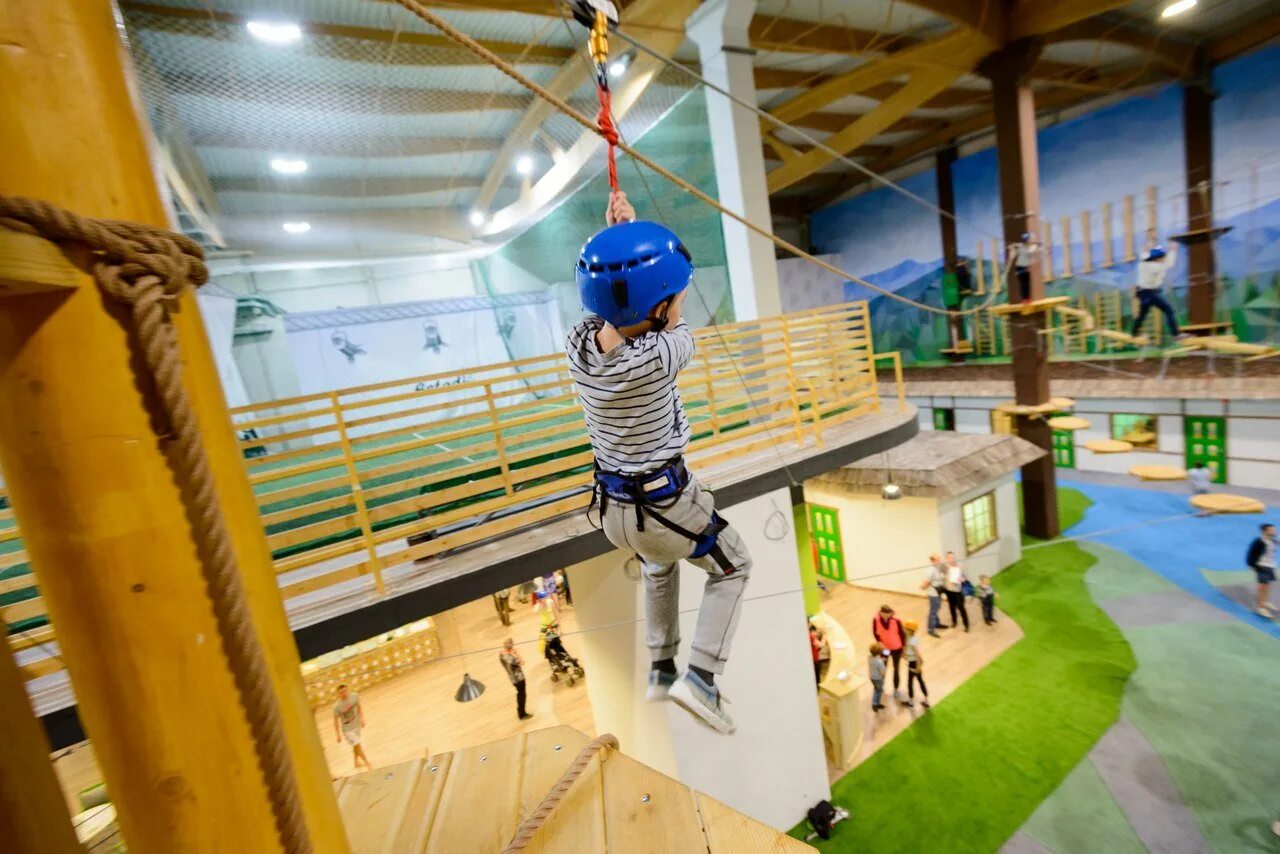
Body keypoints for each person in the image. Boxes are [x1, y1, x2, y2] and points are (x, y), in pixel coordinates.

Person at [569, 190, 752, 735]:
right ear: (658, 311)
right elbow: (673, 328)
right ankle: (701, 677)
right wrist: (633, 235)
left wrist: (619, 241)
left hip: (614, 514)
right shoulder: (665, 353)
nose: (682, 306)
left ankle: (661, 666)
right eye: (675, 298)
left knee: (659, 562)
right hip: (665, 504)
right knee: (734, 566)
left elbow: (605, 309)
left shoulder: (579, 347)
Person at [1131, 243, 1185, 342]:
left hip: (1143, 293)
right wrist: (1173, 250)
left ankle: (1134, 333)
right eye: (1162, 258)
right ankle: (1176, 334)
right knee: (1169, 310)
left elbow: (1144, 255)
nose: (1164, 259)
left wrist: (1146, 249)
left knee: (1142, 315)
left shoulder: (1143, 263)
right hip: (1150, 294)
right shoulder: (1154, 266)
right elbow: (1169, 264)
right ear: (1157, 259)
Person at [332, 684, 370, 771]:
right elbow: (335, 721)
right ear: (338, 694)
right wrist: (338, 735)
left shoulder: (354, 696)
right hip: (347, 730)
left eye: (345, 691)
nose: (343, 693)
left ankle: (356, 763)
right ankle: (367, 763)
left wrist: (362, 719)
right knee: (358, 744)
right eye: (341, 693)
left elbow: (359, 707)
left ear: (347, 690)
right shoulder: (336, 706)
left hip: (356, 725)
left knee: (355, 745)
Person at [871, 605, 906, 693]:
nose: (886, 616)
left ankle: (896, 687)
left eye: (888, 614)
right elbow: (875, 632)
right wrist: (879, 642)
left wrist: (903, 648)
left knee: (896, 668)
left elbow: (902, 634)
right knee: (883, 667)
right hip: (885, 649)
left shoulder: (896, 621)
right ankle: (880, 685)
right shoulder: (876, 620)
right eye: (884, 614)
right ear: (881, 613)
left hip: (897, 649)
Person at [1245, 523, 1277, 618]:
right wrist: (1251, 565)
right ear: (1265, 531)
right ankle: (1261, 608)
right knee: (1262, 587)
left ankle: (1264, 602)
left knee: (1267, 586)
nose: (1274, 531)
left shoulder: (1271, 540)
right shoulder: (1258, 542)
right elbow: (1251, 554)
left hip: (1270, 565)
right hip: (1261, 566)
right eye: (1271, 530)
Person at [500, 638, 533, 721]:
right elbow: (522, 662)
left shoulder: (501, 655)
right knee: (522, 695)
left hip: (512, 678)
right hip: (519, 678)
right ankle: (522, 714)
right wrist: (516, 654)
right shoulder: (511, 658)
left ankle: (520, 711)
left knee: (520, 694)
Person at [901, 621, 930, 709]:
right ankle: (925, 699)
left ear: (910, 630)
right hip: (913, 662)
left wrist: (917, 667)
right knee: (920, 681)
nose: (904, 629)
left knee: (910, 682)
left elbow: (917, 655)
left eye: (905, 628)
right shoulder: (913, 638)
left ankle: (911, 701)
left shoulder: (911, 642)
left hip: (913, 663)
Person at [1007, 233, 1040, 303]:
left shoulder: (1025, 247)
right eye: (1026, 240)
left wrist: (1035, 245)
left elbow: (1032, 252)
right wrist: (1012, 247)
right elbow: (1013, 255)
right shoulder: (1023, 247)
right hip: (1020, 268)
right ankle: (1025, 299)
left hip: (1025, 268)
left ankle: (1027, 299)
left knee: (1026, 284)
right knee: (1023, 284)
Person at [920, 555, 948, 637]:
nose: (940, 560)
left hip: (937, 593)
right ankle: (930, 629)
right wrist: (922, 587)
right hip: (933, 594)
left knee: (936, 609)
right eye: (938, 559)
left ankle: (937, 623)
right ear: (933, 560)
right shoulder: (930, 570)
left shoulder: (936, 568)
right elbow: (926, 582)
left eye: (940, 559)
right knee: (933, 611)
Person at [943, 551, 970, 632]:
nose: (951, 559)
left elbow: (965, 578)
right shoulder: (945, 567)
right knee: (951, 607)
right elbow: (940, 576)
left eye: (952, 557)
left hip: (958, 591)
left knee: (961, 608)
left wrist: (962, 579)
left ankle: (966, 625)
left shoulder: (960, 566)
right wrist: (944, 579)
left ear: (954, 558)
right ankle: (954, 622)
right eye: (949, 558)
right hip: (949, 591)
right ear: (946, 559)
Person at [868, 642, 886, 712]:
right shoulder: (880, 662)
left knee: (876, 689)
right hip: (878, 678)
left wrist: (881, 660)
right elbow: (882, 673)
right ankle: (875, 704)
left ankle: (876, 703)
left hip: (872, 677)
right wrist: (883, 677)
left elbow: (874, 662)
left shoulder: (870, 658)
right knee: (879, 691)